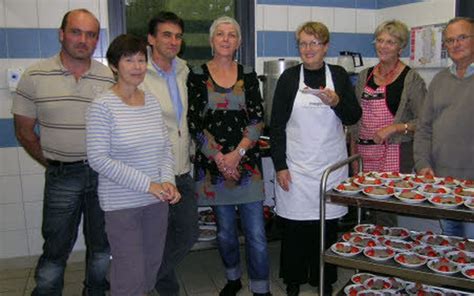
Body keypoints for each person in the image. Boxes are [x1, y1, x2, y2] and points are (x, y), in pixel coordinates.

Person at [11, 9, 113, 295]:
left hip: (102, 176)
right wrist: (54, 163)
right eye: (76, 32)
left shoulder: (108, 78)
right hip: (61, 175)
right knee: (55, 249)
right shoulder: (35, 75)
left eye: (91, 34)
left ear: (97, 40)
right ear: (61, 34)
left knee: (102, 248)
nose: (83, 40)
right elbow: (24, 131)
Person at [270, 21, 361, 296]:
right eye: (303, 43)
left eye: (314, 43)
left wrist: (336, 103)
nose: (308, 49)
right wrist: (281, 166)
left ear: (325, 47)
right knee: (296, 228)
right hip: (296, 166)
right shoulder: (288, 79)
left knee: (327, 225)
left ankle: (324, 277)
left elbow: (353, 116)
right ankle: (294, 280)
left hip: (330, 165)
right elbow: (276, 126)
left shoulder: (339, 76)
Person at [86, 34, 181, 295]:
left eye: (141, 60)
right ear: (115, 65)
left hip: (156, 203)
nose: (138, 66)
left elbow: (164, 148)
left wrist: (168, 183)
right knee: (129, 275)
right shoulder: (102, 106)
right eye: (129, 60)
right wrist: (149, 184)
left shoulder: (150, 101)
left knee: (151, 268)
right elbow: (98, 158)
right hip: (122, 205)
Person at [187, 16, 271, 296]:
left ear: (239, 41)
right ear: (212, 41)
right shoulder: (197, 74)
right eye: (220, 34)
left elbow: (258, 119)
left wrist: (239, 153)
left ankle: (261, 288)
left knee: (257, 235)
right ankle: (233, 279)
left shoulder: (248, 74)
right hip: (214, 167)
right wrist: (221, 159)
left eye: (231, 34)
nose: (225, 39)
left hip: (247, 165)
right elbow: (194, 123)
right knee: (225, 233)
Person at [141, 11, 199, 296]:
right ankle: (164, 289)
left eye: (178, 36)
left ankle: (140, 282)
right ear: (151, 39)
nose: (173, 41)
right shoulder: (139, 73)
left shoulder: (184, 71)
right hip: (152, 173)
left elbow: (185, 120)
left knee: (187, 234)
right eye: (166, 34)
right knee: (156, 238)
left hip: (182, 169)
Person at [350, 19, 427, 226]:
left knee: (386, 210)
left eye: (390, 42)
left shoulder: (411, 79)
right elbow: (355, 121)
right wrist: (353, 156)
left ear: (400, 47)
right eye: (380, 41)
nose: (383, 46)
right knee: (368, 208)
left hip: (394, 153)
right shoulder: (365, 75)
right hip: (365, 153)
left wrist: (395, 127)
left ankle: (386, 252)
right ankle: (369, 249)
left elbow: (425, 121)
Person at [414, 17, 474, 239]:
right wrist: (422, 164)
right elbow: (423, 127)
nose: (456, 44)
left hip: (472, 185)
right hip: (443, 184)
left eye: (462, 37)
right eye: (450, 40)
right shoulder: (440, 80)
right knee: (449, 249)